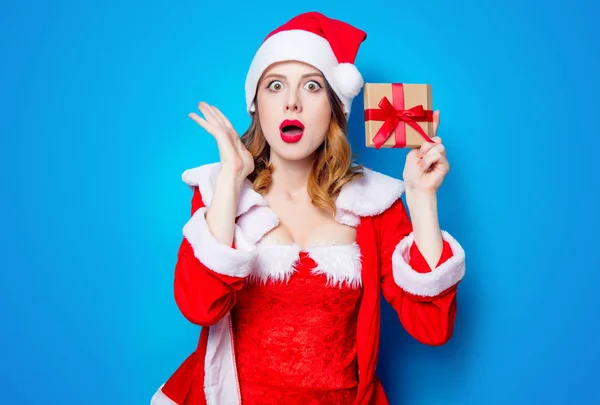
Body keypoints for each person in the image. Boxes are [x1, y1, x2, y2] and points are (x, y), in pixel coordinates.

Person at [151, 11, 466, 405]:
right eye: (275, 85)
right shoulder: (220, 193)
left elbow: (432, 327)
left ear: (335, 107)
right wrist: (232, 179)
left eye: (312, 86)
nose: (292, 103)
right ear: (255, 105)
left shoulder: (374, 205)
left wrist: (421, 199)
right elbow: (200, 307)